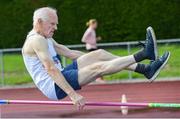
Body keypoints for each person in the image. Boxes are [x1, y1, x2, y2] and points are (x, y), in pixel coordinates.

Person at [22, 7, 170, 110]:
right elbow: (50, 69)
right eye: (52, 24)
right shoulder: (36, 40)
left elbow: (70, 53)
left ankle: (146, 69)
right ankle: (144, 54)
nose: (55, 28)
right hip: (54, 86)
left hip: (62, 74)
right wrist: (72, 95)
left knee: (100, 54)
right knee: (98, 68)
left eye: (56, 24)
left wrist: (95, 58)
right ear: (39, 22)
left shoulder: (46, 38)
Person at [81, 19, 105, 83]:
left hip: (93, 47)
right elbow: (83, 39)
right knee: (97, 62)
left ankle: (97, 77)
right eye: (96, 24)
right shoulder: (89, 30)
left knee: (97, 62)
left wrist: (96, 40)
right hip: (91, 48)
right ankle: (98, 78)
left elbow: (91, 39)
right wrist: (92, 42)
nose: (96, 25)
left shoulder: (92, 30)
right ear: (92, 24)